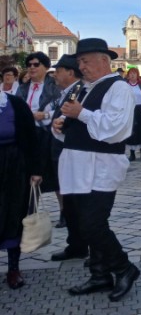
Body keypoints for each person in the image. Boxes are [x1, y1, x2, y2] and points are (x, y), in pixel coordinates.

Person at [52, 38, 139, 301]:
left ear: (104, 60)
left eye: (85, 61)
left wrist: (82, 115)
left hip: (101, 165)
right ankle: (100, 274)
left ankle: (124, 267)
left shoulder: (118, 88)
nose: (81, 66)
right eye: (79, 62)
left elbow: (117, 128)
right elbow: (75, 125)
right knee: (81, 222)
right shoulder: (81, 88)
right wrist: (60, 125)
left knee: (93, 224)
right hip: (77, 164)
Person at [0, 90, 42, 288]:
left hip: (15, 165)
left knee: (14, 214)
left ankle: (13, 269)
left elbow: (31, 137)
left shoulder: (15, 103)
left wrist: (35, 170)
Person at [49, 55, 87, 256]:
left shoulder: (78, 91)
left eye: (58, 70)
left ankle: (79, 245)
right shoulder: (68, 91)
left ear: (70, 72)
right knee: (70, 204)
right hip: (62, 152)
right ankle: (76, 244)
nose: (55, 74)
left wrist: (59, 124)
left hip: (70, 153)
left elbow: (72, 121)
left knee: (74, 204)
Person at [16, 52, 60, 194]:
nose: (32, 68)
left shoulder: (54, 86)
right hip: (26, 134)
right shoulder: (22, 87)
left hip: (47, 134)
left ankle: (64, 212)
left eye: (36, 64)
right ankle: (29, 210)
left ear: (46, 67)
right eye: (29, 65)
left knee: (54, 177)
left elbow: (63, 109)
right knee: (27, 176)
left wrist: (45, 115)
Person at [124, 68, 141, 162]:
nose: (133, 75)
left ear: (137, 75)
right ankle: (132, 153)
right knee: (131, 131)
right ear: (128, 75)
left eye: (134, 73)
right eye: (131, 73)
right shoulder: (124, 86)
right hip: (129, 110)